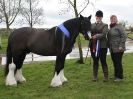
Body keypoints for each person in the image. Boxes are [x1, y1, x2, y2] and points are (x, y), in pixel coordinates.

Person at [89, 10, 109, 82]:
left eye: (100, 16)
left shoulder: (105, 25)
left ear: (102, 17)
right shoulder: (91, 25)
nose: (98, 17)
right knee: (95, 61)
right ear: (95, 16)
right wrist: (89, 36)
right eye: (97, 16)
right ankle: (95, 76)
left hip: (102, 46)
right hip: (93, 46)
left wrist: (96, 35)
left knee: (103, 61)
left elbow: (104, 34)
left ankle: (106, 76)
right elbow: (89, 33)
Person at [108, 15, 127, 81]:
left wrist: (121, 45)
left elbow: (124, 36)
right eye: (111, 19)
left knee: (118, 62)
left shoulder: (119, 26)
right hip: (112, 48)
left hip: (119, 48)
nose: (112, 20)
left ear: (116, 19)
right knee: (115, 62)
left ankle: (120, 77)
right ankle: (116, 75)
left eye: (114, 18)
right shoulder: (111, 27)